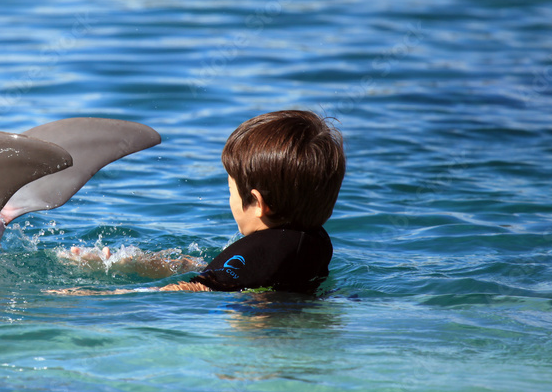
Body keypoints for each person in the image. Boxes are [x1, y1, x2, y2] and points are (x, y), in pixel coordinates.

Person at [58, 110, 345, 294]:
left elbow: (200, 286)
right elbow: (224, 268)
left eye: (231, 188)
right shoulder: (308, 242)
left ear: (257, 203)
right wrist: (131, 263)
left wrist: (104, 296)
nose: (229, 198)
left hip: (260, 340)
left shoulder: (265, 249)